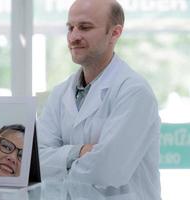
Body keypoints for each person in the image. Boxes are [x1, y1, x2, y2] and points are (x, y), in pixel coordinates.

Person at [37, 0, 161, 199]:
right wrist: (79, 152)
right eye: (70, 28)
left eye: (85, 27)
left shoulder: (134, 92)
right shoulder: (60, 93)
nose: (74, 36)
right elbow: (36, 162)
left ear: (115, 33)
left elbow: (108, 170)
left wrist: (59, 163)